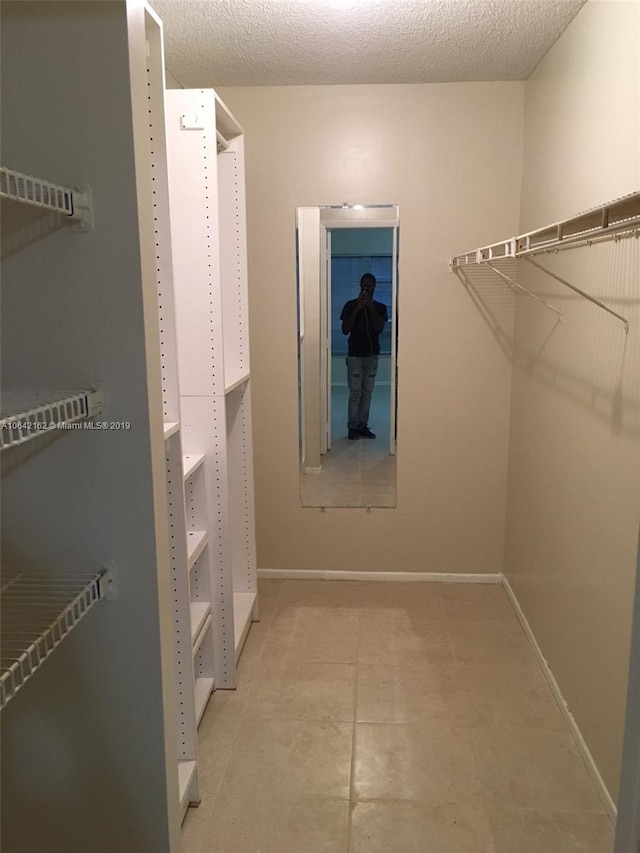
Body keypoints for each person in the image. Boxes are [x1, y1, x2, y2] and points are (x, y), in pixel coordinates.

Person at [340, 272, 388, 440]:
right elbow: (345, 329)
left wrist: (370, 307)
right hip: (355, 356)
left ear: (374, 287)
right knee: (355, 393)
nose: (366, 290)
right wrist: (358, 308)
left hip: (372, 355)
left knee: (367, 392)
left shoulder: (380, 307)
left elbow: (379, 328)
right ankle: (352, 427)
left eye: (369, 287)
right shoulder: (350, 305)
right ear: (359, 287)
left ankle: (362, 425)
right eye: (363, 286)